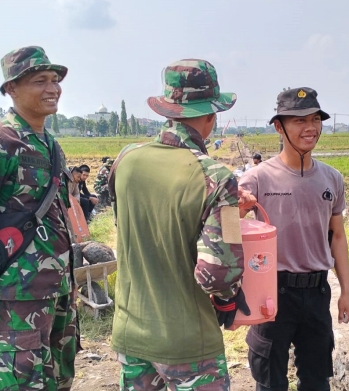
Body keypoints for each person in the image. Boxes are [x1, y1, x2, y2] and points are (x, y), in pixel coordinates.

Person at [109, 59, 256, 391]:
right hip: (188, 343)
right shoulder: (217, 179)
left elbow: (150, 223)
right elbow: (220, 272)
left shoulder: (127, 160)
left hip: (132, 334)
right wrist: (228, 303)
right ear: (211, 116)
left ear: (168, 110)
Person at [0, 46, 78, 390]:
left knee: (60, 379)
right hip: (18, 296)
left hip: (59, 289)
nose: (53, 88)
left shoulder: (50, 145)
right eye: (40, 80)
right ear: (11, 88)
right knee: (23, 384)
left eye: (55, 80)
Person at [239, 87, 349, 391]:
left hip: (317, 293)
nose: (310, 128)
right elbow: (224, 230)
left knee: (317, 381)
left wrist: (346, 291)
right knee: (270, 381)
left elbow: (338, 237)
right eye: (299, 120)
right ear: (279, 126)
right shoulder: (257, 178)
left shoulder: (332, 179)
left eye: (315, 119)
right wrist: (236, 209)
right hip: (271, 294)